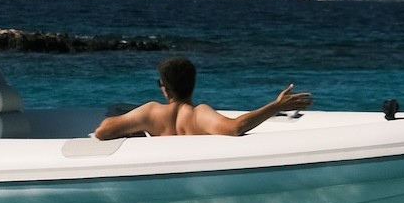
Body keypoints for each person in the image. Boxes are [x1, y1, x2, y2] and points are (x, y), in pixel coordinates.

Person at [92, 57, 312, 140]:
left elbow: (102, 132)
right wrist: (275, 106)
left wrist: (136, 131)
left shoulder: (151, 113)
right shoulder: (199, 115)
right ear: (193, 84)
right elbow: (236, 128)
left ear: (165, 89)